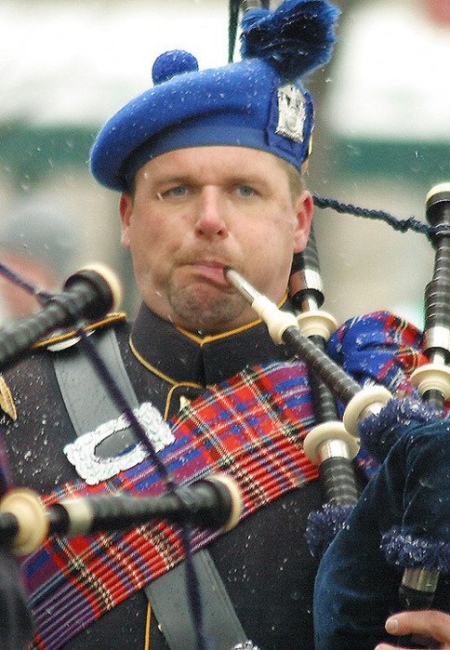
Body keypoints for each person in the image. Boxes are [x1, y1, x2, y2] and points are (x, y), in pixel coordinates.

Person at [0, 1, 449, 649]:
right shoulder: (19, 400)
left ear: (299, 221)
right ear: (128, 218)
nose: (210, 220)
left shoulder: (384, 420)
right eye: (176, 190)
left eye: (245, 190)